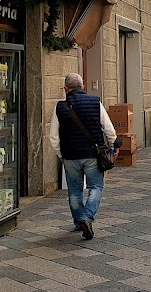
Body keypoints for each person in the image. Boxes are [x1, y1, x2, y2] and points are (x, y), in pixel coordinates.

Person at [49, 72, 117, 240]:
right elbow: (108, 129)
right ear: (83, 86)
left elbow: (53, 137)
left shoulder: (60, 107)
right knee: (96, 187)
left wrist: (61, 154)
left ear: (66, 89)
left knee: (74, 191)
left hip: (70, 156)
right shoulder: (95, 102)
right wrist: (113, 144)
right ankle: (87, 217)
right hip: (92, 155)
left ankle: (79, 221)